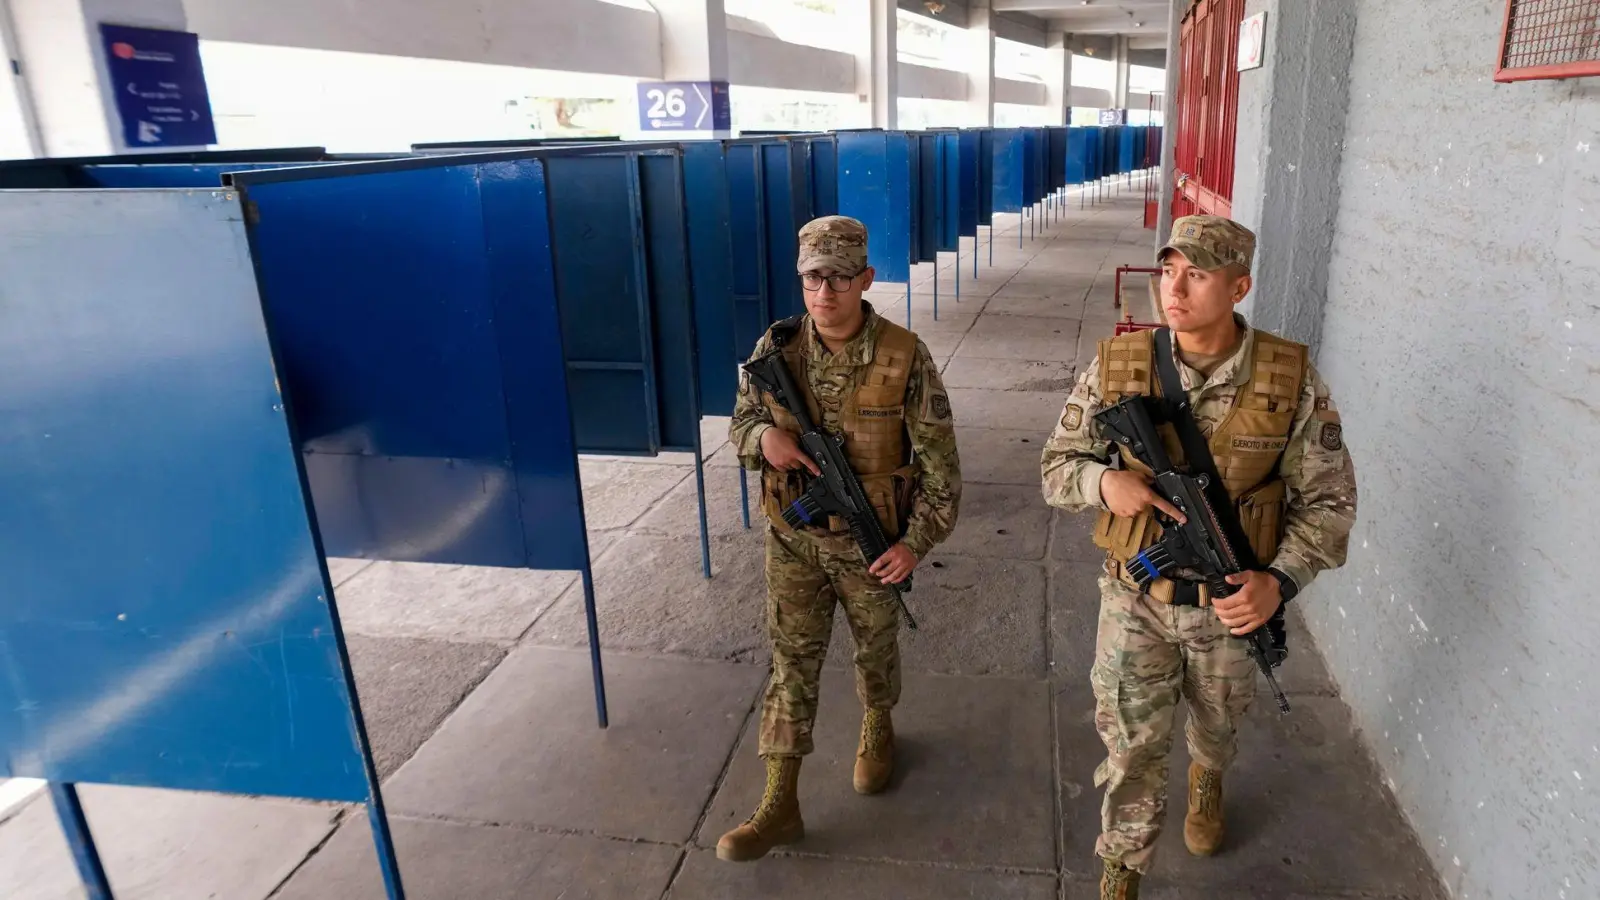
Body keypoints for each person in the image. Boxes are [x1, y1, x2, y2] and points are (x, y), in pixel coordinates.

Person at [1039, 215, 1357, 898]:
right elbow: (1055, 467)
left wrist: (1279, 581)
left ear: (1239, 285)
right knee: (1130, 747)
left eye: (1199, 274)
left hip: (1230, 609)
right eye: (1169, 269)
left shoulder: (1289, 379)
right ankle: (1120, 870)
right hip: (1135, 600)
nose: (1173, 289)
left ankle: (1208, 774)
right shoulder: (1119, 366)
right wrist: (1104, 481)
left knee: (1217, 723)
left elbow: (1331, 507)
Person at [719, 215, 962, 863]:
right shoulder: (776, 350)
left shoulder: (904, 356)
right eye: (812, 277)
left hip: (872, 544)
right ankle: (780, 798)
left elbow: (943, 473)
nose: (824, 292)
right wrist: (761, 440)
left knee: (875, 649)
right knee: (791, 660)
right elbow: (741, 418)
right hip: (793, 540)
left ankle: (878, 724)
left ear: (865, 279)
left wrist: (913, 542)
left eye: (839, 278)